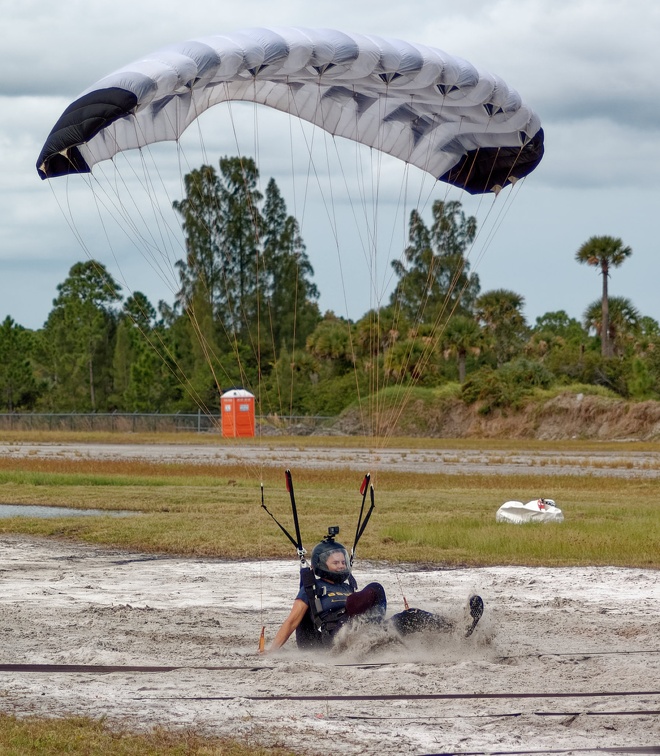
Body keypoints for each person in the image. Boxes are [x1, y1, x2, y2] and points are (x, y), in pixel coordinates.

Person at [269, 536, 386, 652]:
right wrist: (271, 650)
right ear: (323, 565)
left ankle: (380, 635)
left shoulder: (347, 587)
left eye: (343, 562)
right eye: (335, 563)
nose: (341, 566)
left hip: (359, 628)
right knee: (375, 588)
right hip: (333, 635)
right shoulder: (311, 588)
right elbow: (291, 621)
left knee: (401, 617)